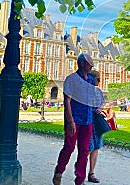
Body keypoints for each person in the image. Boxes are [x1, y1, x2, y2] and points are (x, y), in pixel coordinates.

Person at [53, 53, 103, 185]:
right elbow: (67, 101)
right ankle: (59, 172)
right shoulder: (71, 79)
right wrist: (70, 121)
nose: (92, 65)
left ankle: (80, 180)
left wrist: (99, 107)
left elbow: (93, 98)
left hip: (87, 120)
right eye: (89, 63)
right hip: (74, 119)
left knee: (84, 151)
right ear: (82, 64)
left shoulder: (91, 80)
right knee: (69, 148)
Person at [87, 70, 103, 183]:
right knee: (88, 147)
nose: (99, 81)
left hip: (96, 120)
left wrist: (100, 109)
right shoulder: (85, 90)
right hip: (88, 120)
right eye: (98, 79)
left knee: (96, 147)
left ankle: (91, 173)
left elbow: (102, 103)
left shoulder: (99, 91)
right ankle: (80, 171)